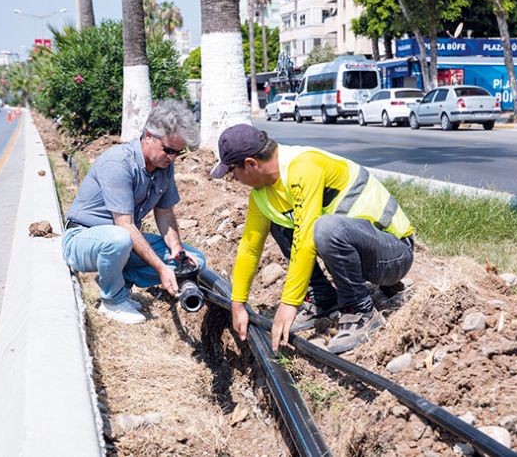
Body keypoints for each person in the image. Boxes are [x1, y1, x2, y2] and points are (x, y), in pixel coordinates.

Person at [211, 124, 414, 353]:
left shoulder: (303, 166)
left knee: (324, 228)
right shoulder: (262, 194)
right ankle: (323, 299)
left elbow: (306, 237)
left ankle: (361, 311)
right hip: (365, 257)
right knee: (279, 222)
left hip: (393, 255)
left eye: (233, 172)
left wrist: (289, 302)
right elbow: (250, 247)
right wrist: (238, 304)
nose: (234, 179)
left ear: (251, 163)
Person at [62, 99, 204, 324]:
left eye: (178, 152)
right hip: (83, 239)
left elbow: (165, 212)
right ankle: (113, 301)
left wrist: (177, 252)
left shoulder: (164, 166)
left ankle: (118, 280)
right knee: (119, 239)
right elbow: (125, 226)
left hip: (122, 243)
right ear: (148, 136)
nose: (172, 157)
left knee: (196, 261)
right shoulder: (118, 163)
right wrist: (160, 268)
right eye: (168, 150)